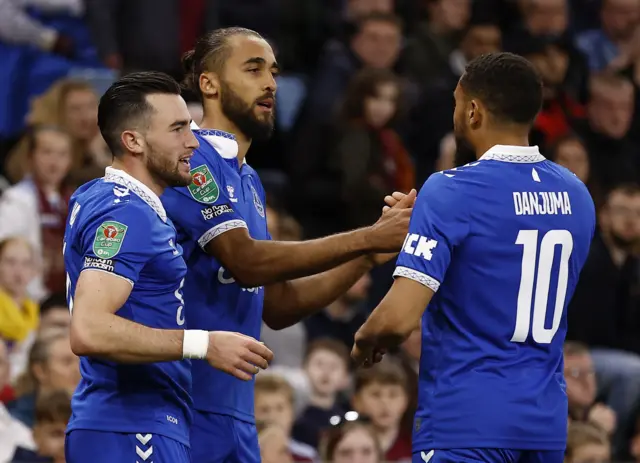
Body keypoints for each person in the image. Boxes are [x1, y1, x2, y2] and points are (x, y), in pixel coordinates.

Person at [161, 27, 413, 463]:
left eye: (274, 72)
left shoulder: (250, 181)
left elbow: (277, 306)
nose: (271, 83)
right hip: (181, 406)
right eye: (253, 68)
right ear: (209, 83)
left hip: (238, 413)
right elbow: (245, 261)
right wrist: (366, 236)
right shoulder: (190, 158)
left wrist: (366, 257)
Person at [351, 52, 596, 463]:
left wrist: (364, 341)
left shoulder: (451, 189)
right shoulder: (576, 194)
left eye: (455, 104)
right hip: (546, 425)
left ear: (474, 111)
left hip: (465, 421)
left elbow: (396, 321)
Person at [62, 71, 274, 463]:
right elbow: (89, 329)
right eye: (177, 129)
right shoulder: (126, 211)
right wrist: (204, 344)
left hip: (139, 423)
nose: (193, 141)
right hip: (131, 426)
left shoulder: (113, 200)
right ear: (133, 141)